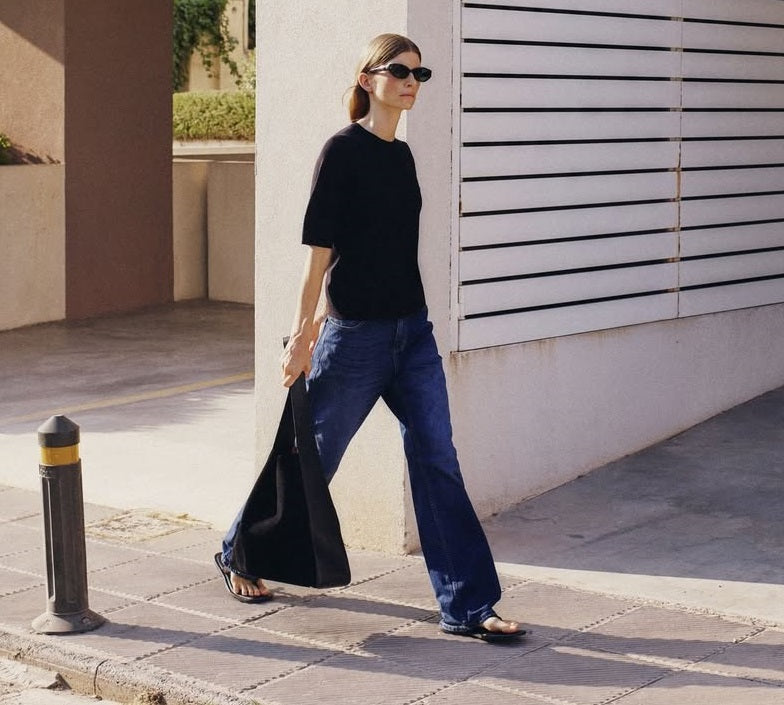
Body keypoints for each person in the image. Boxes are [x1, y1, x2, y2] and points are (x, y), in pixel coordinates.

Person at [217, 33, 524, 641]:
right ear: (368, 79)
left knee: (437, 459)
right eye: (400, 71)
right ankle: (238, 550)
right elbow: (318, 256)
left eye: (420, 74)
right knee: (311, 455)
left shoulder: (401, 156)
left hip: (413, 335)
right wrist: (303, 335)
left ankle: (468, 606)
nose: (412, 82)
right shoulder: (341, 151)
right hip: (354, 337)